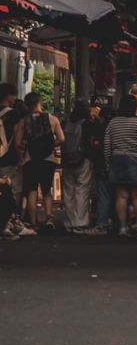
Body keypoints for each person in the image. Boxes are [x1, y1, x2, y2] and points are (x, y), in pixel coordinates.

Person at [16, 92, 64, 233]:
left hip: (30, 160)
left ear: (27, 105)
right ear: (40, 103)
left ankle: (33, 222)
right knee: (47, 190)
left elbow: (18, 143)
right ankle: (49, 219)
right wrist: (50, 145)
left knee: (31, 190)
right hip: (48, 159)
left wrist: (26, 148)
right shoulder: (52, 119)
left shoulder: (23, 121)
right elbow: (62, 139)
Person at [103, 93, 137, 236]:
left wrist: (108, 162)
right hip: (135, 159)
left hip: (117, 159)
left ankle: (122, 228)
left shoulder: (113, 122)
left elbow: (107, 144)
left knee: (121, 196)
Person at [61, 99, 94, 232]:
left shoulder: (67, 122)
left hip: (67, 160)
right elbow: (89, 143)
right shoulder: (86, 123)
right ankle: (80, 223)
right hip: (83, 160)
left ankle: (69, 222)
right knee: (82, 190)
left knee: (68, 192)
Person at [0, 83, 28, 237]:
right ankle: (11, 221)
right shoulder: (15, 114)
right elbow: (18, 141)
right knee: (14, 191)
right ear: (10, 96)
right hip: (9, 159)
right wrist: (21, 158)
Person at [83, 98, 112, 234]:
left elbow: (95, 145)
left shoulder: (99, 129)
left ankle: (101, 223)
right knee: (117, 195)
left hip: (102, 165)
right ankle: (116, 223)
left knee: (103, 194)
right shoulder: (113, 128)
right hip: (116, 165)